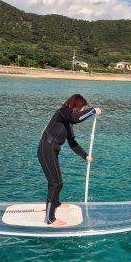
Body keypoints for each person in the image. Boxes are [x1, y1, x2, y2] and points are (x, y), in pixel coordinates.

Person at [38, 94, 102, 226]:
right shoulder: (62, 112)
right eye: (81, 108)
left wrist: (85, 156)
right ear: (76, 105)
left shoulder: (68, 124)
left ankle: (55, 203)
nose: (80, 110)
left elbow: (72, 143)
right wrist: (92, 110)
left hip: (52, 151)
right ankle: (49, 219)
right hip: (45, 149)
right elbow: (75, 118)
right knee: (55, 183)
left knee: (57, 182)